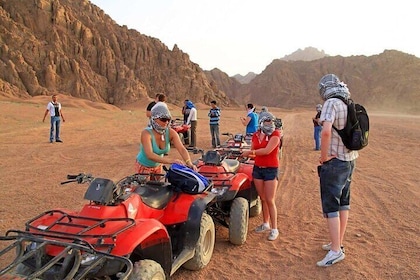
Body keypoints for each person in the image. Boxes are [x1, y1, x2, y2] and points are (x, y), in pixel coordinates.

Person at [316, 73, 358, 267]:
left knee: (332, 205)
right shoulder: (348, 101)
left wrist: (324, 157)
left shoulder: (331, 103)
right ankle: (337, 243)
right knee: (344, 202)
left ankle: (335, 251)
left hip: (335, 162)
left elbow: (325, 132)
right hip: (350, 160)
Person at [242, 112, 281, 241]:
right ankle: (265, 223)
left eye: (271, 122)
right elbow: (254, 153)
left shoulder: (276, 134)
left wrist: (250, 152)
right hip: (258, 169)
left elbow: (267, 151)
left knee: (270, 199)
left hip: (271, 170)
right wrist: (246, 153)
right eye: (267, 122)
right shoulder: (255, 135)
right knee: (262, 198)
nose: (270, 125)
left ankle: (274, 228)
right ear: (261, 123)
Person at [135, 105, 196, 179]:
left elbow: (182, 149)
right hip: (144, 166)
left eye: (168, 119)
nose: (166, 122)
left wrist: (189, 162)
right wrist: (171, 161)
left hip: (158, 167)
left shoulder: (170, 132)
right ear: (154, 118)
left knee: (158, 189)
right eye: (163, 119)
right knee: (145, 189)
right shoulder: (146, 133)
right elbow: (150, 155)